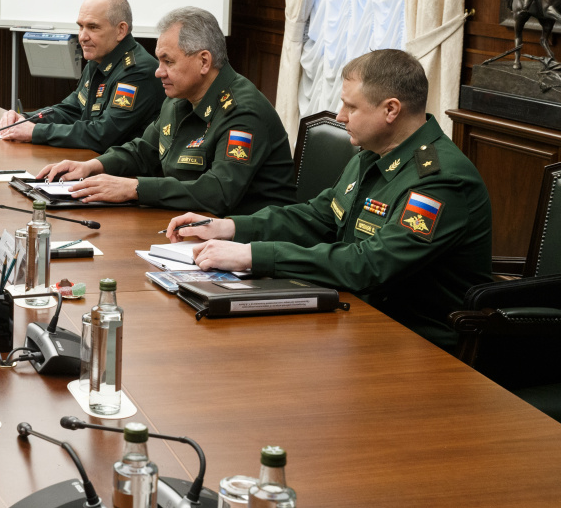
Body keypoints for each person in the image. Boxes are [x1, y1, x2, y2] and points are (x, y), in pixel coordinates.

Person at [166, 49, 492, 353]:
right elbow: (319, 216)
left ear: (391, 109)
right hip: (358, 315)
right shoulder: (373, 154)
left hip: (419, 342)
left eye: (351, 106)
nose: (340, 116)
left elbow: (370, 265)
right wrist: (230, 227)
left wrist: (252, 256)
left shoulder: (439, 180)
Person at [39, 6, 294, 216]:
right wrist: (92, 166)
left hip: (246, 238)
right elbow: (143, 151)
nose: (158, 71)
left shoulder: (242, 111)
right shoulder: (178, 96)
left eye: (168, 61)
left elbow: (218, 193)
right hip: (192, 224)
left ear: (204, 61)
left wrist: (135, 188)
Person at [0, 0, 163, 151]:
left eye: (93, 27)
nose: (82, 36)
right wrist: (25, 119)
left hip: (125, 174)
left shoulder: (136, 71)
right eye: (81, 26)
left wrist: (35, 132)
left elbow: (103, 134)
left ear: (121, 30)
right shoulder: (99, 59)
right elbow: (73, 109)